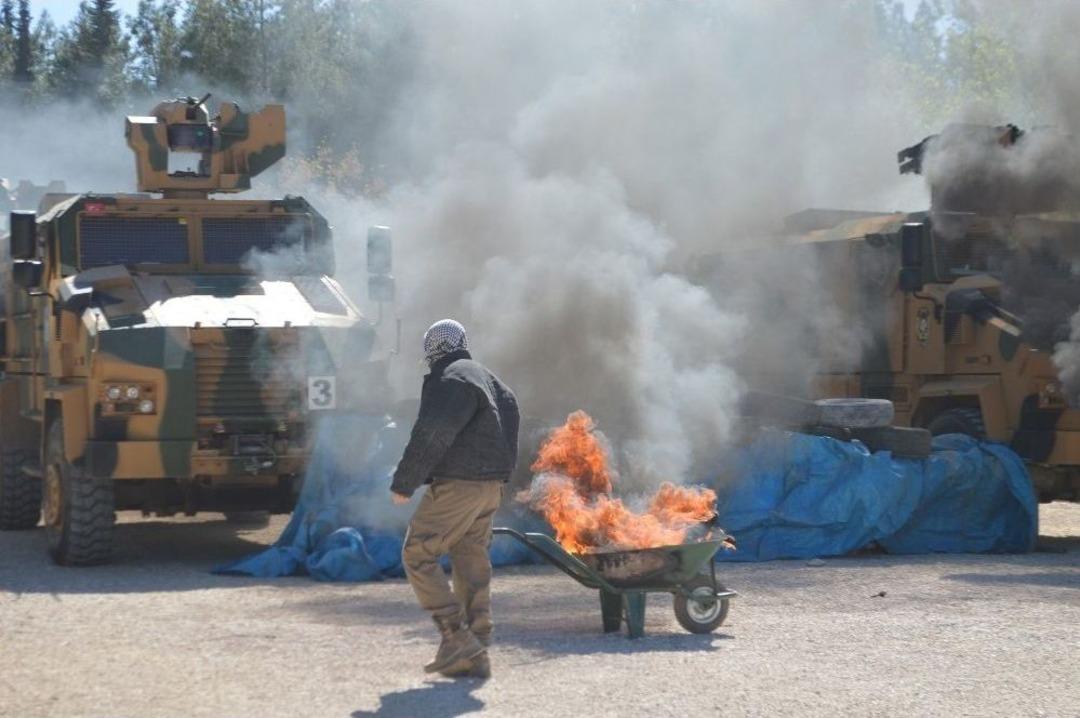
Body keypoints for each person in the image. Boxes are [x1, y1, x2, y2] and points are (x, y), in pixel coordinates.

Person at [391, 319, 520, 679]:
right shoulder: (491, 382)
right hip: (490, 487)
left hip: (459, 485)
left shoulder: (450, 379)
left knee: (418, 553)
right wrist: (500, 478)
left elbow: (433, 433)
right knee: (470, 557)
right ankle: (476, 646)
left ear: (433, 349)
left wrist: (406, 481)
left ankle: (456, 637)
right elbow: (511, 421)